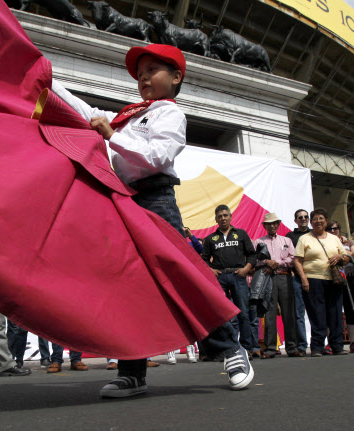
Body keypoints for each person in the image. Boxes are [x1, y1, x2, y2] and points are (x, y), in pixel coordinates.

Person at [52, 44, 253, 397]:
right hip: (124, 201)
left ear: (176, 77)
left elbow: (158, 156)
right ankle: (133, 371)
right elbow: (89, 112)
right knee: (129, 285)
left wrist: (112, 137)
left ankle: (230, 350)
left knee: (182, 278)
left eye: (152, 70)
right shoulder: (130, 115)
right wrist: (50, 82)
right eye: (140, 72)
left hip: (158, 200)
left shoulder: (169, 115)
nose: (143, 77)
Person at [293, 209, 351, 357]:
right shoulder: (304, 239)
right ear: (311, 222)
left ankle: (337, 346)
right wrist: (304, 279)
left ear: (326, 221)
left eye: (321, 218)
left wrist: (339, 256)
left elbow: (346, 257)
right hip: (313, 280)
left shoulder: (333, 238)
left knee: (335, 313)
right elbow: (298, 261)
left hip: (334, 280)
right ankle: (317, 347)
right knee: (317, 314)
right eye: (315, 219)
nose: (318, 221)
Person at [202, 205, 258, 357]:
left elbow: (252, 255)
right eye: (220, 216)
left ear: (231, 217)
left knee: (243, 313)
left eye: (225, 215)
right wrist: (211, 270)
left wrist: (246, 269)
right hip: (220, 278)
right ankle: (226, 348)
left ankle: (247, 348)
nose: (223, 218)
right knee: (220, 313)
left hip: (238, 275)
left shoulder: (240, 234)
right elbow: (203, 259)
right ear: (216, 219)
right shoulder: (210, 239)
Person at [253, 213, 301, 358]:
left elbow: (293, 259)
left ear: (278, 224)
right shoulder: (258, 242)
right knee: (269, 313)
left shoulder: (286, 240)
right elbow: (253, 260)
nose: (272, 226)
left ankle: (292, 347)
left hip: (284, 277)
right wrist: (267, 262)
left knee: (289, 313)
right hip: (267, 278)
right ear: (264, 226)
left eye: (274, 223)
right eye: (269, 224)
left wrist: (277, 263)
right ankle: (270, 348)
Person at [327, 220, 354, 353]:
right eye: (329, 229)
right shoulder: (325, 242)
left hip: (351, 278)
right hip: (333, 278)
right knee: (332, 310)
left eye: (335, 229)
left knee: (351, 308)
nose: (333, 231)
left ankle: (353, 342)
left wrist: (343, 254)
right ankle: (331, 342)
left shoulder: (347, 242)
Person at [285, 209, 310, 355]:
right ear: (295, 220)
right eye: (300, 217)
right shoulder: (290, 236)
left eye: (306, 217)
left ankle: (320, 343)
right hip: (297, 279)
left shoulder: (315, 234)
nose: (303, 219)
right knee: (298, 313)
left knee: (317, 311)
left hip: (315, 277)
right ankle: (302, 345)